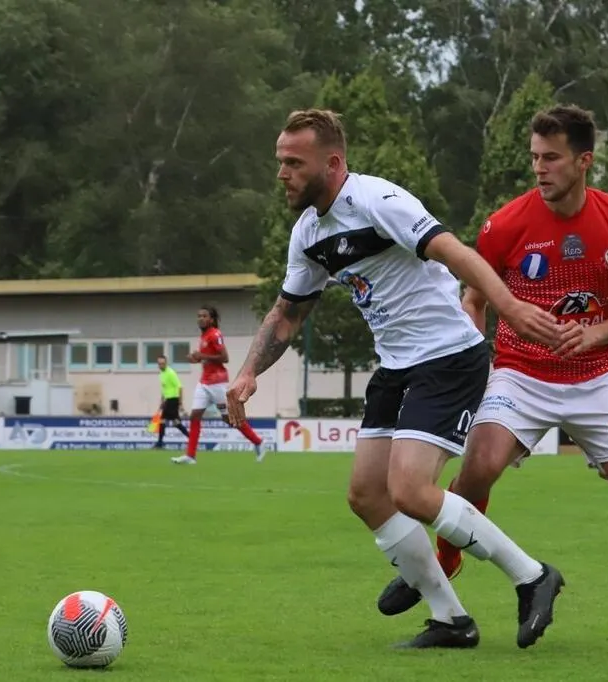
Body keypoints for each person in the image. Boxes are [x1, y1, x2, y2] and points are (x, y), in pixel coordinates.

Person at [376, 105, 608, 651]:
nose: (539, 168)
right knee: (477, 470)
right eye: (535, 157)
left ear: (584, 161)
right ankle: (442, 569)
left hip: (597, 375)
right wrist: (477, 364)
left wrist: (594, 333)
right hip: (520, 373)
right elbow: (474, 300)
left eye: (552, 158)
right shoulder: (504, 224)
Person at [225, 108, 568, 649]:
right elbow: (287, 313)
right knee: (367, 494)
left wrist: (510, 308)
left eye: (294, 162)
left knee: (409, 489)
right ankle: (451, 620)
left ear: (332, 163)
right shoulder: (308, 232)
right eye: (280, 162)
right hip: (396, 367)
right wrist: (247, 373)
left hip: (448, 357)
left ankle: (532, 575)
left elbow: (455, 252)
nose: (282, 173)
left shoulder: (378, 200)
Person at [171, 306, 265, 464]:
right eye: (199, 316)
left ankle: (258, 442)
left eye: (204, 316)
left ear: (212, 319)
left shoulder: (215, 334)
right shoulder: (204, 336)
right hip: (204, 382)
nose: (200, 318)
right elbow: (209, 358)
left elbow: (224, 357)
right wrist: (197, 358)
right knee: (195, 416)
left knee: (229, 418)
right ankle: (190, 456)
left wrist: (202, 355)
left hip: (217, 383)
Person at [153, 354, 189, 448]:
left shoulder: (171, 373)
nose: (161, 365)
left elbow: (180, 387)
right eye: (159, 364)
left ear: (166, 363)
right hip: (168, 400)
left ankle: (160, 443)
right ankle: (191, 438)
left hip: (173, 399)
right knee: (176, 423)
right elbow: (164, 388)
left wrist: (180, 403)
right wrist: (162, 401)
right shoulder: (161, 374)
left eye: (163, 363)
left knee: (163, 420)